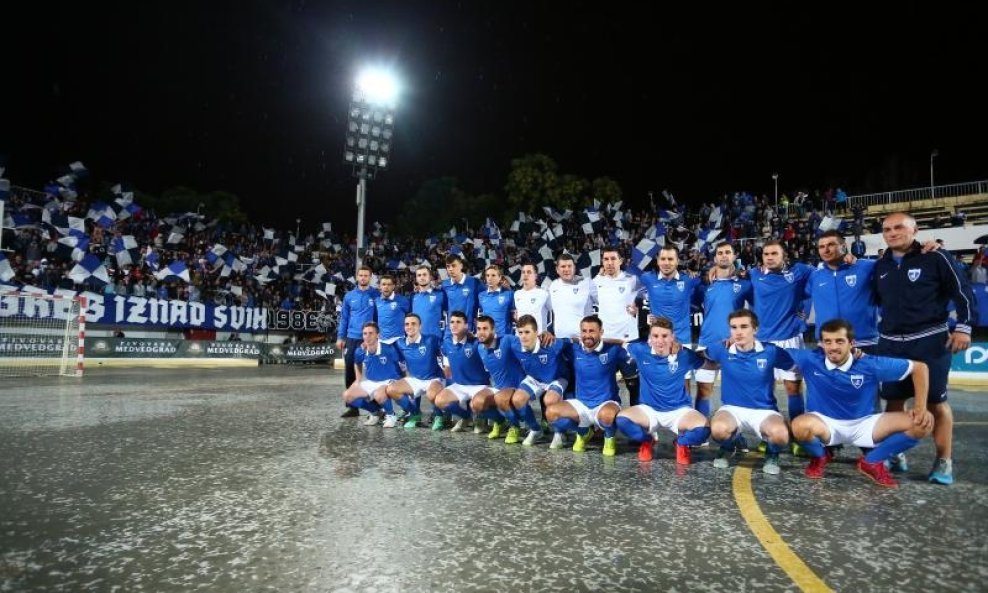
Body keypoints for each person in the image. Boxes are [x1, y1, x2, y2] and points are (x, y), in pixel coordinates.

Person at [874, 212, 978, 485]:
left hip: (930, 341)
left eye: (899, 227)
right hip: (891, 343)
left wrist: (964, 327)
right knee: (894, 402)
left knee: (936, 402)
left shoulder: (936, 257)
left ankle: (944, 460)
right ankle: (895, 454)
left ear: (915, 230)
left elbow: (963, 291)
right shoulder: (880, 264)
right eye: (887, 229)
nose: (892, 232)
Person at [790, 319, 934, 488]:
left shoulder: (870, 364)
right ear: (821, 344)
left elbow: (919, 368)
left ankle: (871, 462)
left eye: (839, 341)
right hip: (825, 424)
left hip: (865, 423)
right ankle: (820, 456)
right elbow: (771, 352)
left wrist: (920, 407)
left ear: (852, 343)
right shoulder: (810, 359)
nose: (833, 347)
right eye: (828, 341)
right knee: (798, 426)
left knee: (923, 423)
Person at [703, 310, 795, 474]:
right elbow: (700, 357)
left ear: (755, 329)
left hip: (764, 411)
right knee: (717, 429)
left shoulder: (771, 351)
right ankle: (729, 445)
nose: (738, 332)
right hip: (732, 409)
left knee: (781, 435)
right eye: (734, 327)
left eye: (744, 326)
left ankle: (772, 454)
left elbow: (796, 366)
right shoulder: (722, 349)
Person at [616, 318, 710, 464]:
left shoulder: (684, 354)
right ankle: (648, 440)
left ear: (672, 337)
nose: (660, 340)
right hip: (649, 410)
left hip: (679, 411)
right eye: (655, 336)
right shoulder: (640, 350)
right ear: (650, 338)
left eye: (665, 336)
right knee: (622, 420)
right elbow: (621, 343)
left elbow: (707, 363)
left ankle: (681, 443)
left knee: (704, 429)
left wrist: (730, 359)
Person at [544, 315, 633, 456]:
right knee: (551, 414)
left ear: (601, 332)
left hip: (606, 403)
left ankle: (609, 437)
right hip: (581, 404)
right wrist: (547, 334)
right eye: (584, 331)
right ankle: (584, 432)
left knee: (608, 416)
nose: (587, 335)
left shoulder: (613, 350)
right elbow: (555, 343)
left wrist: (624, 343)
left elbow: (633, 359)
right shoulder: (574, 349)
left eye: (592, 331)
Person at [749, 240, 814, 429]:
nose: (769, 257)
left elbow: (822, 272)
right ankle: (770, 431)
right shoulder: (754, 274)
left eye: (774, 254)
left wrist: (803, 313)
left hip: (790, 338)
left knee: (793, 388)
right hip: (762, 342)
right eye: (766, 254)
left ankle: (797, 431)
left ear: (783, 255)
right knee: (764, 389)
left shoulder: (799, 271)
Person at [695, 241, 752, 418]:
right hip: (707, 345)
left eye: (728, 252)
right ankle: (700, 433)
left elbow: (760, 309)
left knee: (735, 393)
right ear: (715, 258)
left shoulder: (745, 285)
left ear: (735, 256)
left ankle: (734, 435)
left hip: (734, 345)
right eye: (720, 253)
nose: (724, 255)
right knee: (703, 391)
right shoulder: (703, 286)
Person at [505, 314, 571, 446]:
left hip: (556, 378)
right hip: (534, 379)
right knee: (517, 399)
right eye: (520, 332)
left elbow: (570, 342)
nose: (523, 336)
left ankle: (560, 433)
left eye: (527, 332)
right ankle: (535, 429)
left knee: (549, 400)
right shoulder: (515, 345)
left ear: (536, 332)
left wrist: (550, 333)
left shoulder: (551, 344)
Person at [809, 231, 879, 352]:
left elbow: (893, 265)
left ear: (843, 246)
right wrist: (800, 317)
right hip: (828, 345)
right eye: (821, 247)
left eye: (831, 244)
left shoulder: (866, 267)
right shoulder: (814, 276)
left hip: (864, 343)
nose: (826, 250)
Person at [592, 246, 643, 406]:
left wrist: (639, 307)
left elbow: (649, 295)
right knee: (604, 385)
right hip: (605, 342)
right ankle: (607, 421)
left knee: (634, 386)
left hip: (628, 342)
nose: (609, 263)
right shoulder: (596, 282)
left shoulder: (632, 280)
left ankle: (636, 421)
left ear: (620, 261)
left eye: (613, 258)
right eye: (606, 259)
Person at [434, 311, 491, 432]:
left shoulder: (477, 342)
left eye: (458, 322)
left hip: (479, 386)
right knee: (439, 401)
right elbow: (446, 360)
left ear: (466, 325)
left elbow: (492, 342)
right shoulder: (447, 343)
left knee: (478, 424)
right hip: (460, 385)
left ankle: (484, 419)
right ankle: (466, 417)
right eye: (452, 322)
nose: (454, 325)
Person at [386, 313, 445, 429]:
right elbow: (389, 353)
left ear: (420, 326)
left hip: (434, 378)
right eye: (407, 324)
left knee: (431, 394)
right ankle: (415, 414)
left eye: (413, 324)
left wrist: (445, 368)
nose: (410, 327)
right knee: (391, 389)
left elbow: (444, 353)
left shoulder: (431, 340)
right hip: (415, 379)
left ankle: (439, 416)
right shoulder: (400, 343)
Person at [336, 266, 380, 418]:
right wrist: (341, 337)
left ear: (370, 277)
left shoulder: (376, 294)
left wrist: (378, 336)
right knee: (350, 371)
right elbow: (345, 318)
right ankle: (352, 407)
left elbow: (379, 317)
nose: (363, 278)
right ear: (357, 277)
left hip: (370, 338)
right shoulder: (349, 296)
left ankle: (377, 407)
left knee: (373, 372)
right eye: (360, 275)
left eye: (366, 275)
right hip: (352, 338)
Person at [341, 322, 403, 425]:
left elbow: (401, 363)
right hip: (372, 381)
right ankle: (375, 413)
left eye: (371, 333)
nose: (367, 336)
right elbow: (357, 363)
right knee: (348, 396)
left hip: (389, 381)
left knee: (378, 394)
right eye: (365, 333)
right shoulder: (359, 351)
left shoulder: (388, 348)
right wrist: (358, 379)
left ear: (378, 335)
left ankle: (391, 415)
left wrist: (401, 380)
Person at [474, 314, 523, 439]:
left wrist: (543, 335)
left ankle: (515, 427)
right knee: (476, 404)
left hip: (517, 387)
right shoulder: (480, 348)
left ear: (493, 330)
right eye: (479, 329)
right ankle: (501, 422)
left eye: (485, 329)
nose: (481, 332)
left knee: (500, 398)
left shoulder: (507, 340)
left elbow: (527, 342)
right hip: (498, 387)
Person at [547, 252, 597, 341]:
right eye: (563, 266)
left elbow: (605, 303)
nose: (567, 269)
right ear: (557, 269)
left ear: (574, 268)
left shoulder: (587, 283)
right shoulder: (553, 286)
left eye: (569, 266)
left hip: (583, 340)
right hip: (560, 340)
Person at [440, 254, 481, 336]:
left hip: (468, 330)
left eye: (454, 265)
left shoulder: (474, 282)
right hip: (451, 330)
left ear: (461, 266)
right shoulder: (445, 285)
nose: (451, 269)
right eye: (448, 266)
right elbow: (444, 306)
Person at [477, 264, 514, 337]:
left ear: (500, 277)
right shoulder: (481, 296)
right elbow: (480, 315)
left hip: (504, 336)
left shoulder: (509, 294)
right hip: (487, 337)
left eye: (493, 275)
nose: (490, 278)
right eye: (487, 275)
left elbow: (515, 315)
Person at [513, 262, 550, 334]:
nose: (525, 274)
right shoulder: (517, 294)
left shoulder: (543, 293)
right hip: (520, 337)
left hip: (537, 338)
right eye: (523, 272)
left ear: (536, 276)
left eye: (529, 272)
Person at [374, 274, 410, 344]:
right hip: (381, 340)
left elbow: (409, 317)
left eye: (389, 284)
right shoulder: (376, 301)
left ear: (393, 286)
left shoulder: (403, 300)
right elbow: (375, 320)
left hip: (398, 340)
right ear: (379, 286)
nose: (386, 287)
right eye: (383, 284)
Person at [411, 265, 446, 338]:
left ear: (430, 277)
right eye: (419, 275)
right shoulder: (413, 297)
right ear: (416, 279)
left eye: (424, 274)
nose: (422, 277)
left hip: (436, 339)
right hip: (417, 339)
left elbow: (449, 314)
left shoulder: (440, 294)